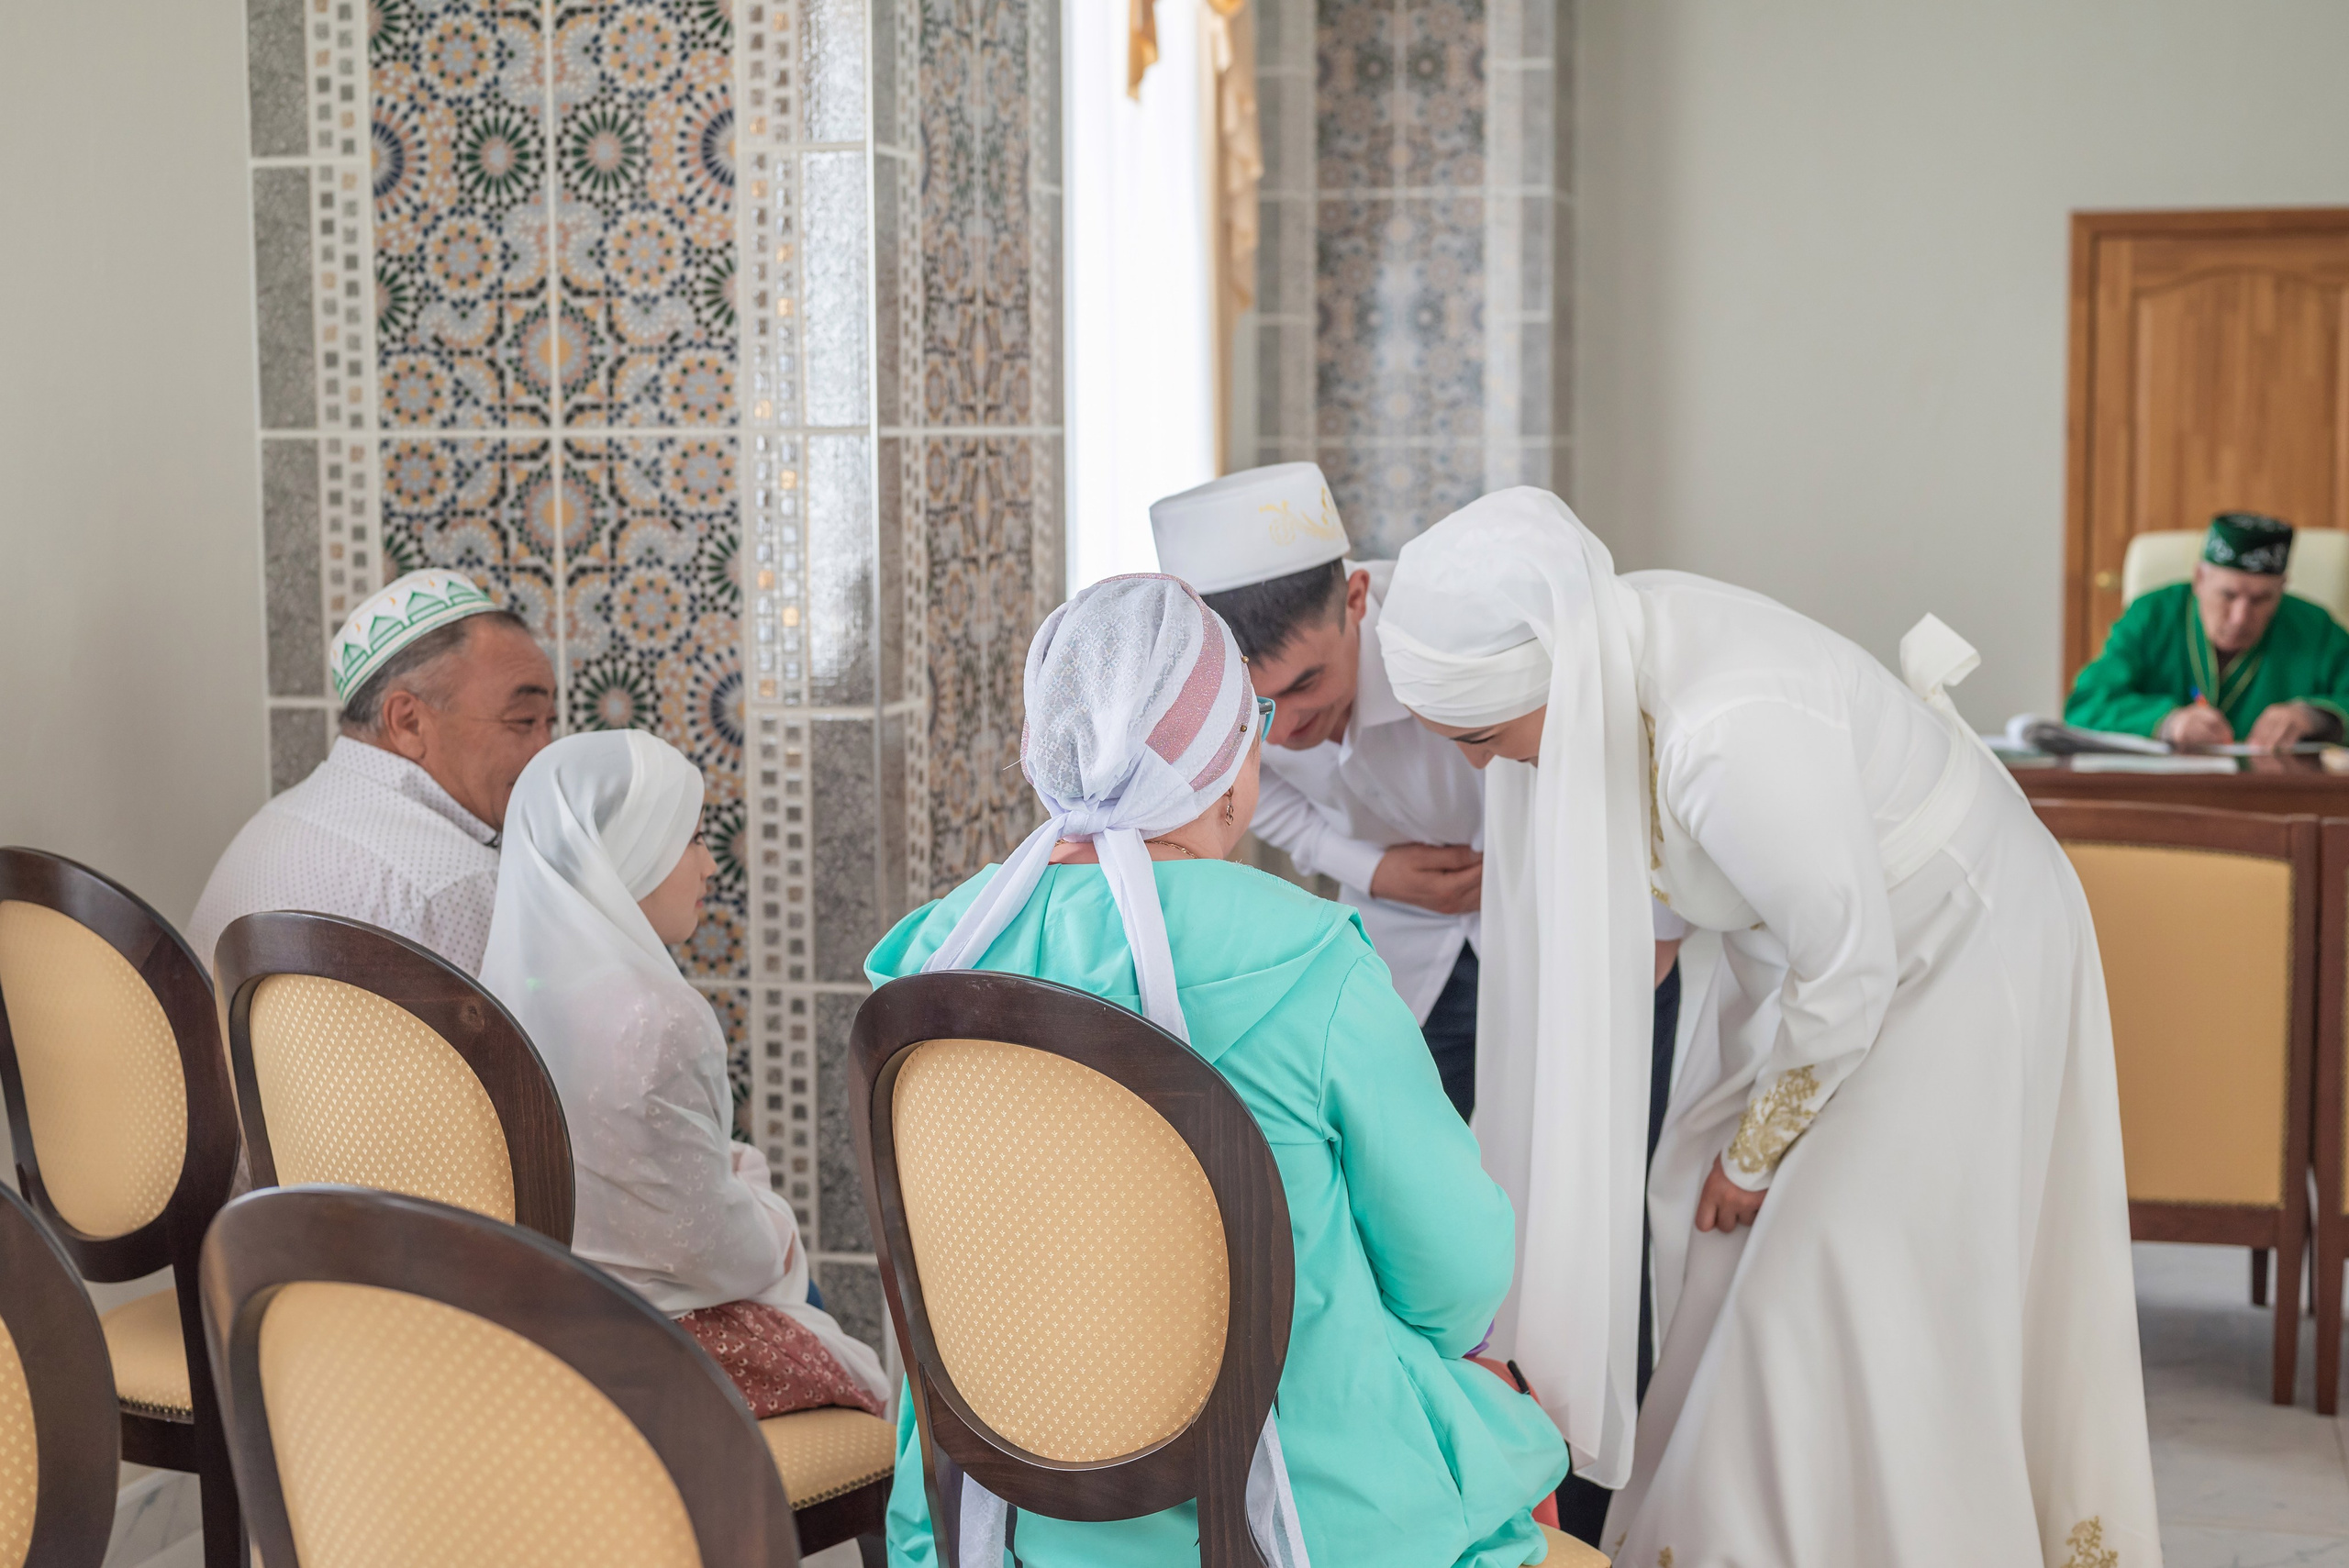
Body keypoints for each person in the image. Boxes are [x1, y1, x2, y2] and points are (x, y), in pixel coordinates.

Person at [1379, 489, 2159, 1566]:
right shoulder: (1617, 651)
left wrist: (1754, 1152)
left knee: (1842, 1261)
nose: (1479, 767)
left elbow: (1850, 962)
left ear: (1540, 685)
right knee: (1721, 1253)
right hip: (1828, 973)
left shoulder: (1724, 734)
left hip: (1957, 955)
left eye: (1480, 736)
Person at [865, 573, 1568, 1568]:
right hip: (1294, 1513)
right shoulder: (1306, 957)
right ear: (1227, 765)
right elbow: (1452, 1279)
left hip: (1010, 1512)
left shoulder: (934, 956)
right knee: (1508, 1421)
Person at [1150, 462, 1687, 1125]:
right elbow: (1272, 802)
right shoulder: (1209, 695)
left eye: (1306, 686)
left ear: (1355, 600)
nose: (1283, 732)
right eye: (1260, 705)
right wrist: (1370, 871)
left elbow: (1611, 747)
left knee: (1589, 1148)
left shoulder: (1459, 636)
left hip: (1564, 922)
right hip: (1404, 948)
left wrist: (1645, 928)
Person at [479, 728, 888, 1418]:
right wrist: (771, 1217)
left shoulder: (499, 993)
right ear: (627, 855)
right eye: (692, 839)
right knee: (871, 1387)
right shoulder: (656, 1016)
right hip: (647, 1346)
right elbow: (702, 1247)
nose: (709, 867)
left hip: (535, 1336)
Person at [187, 570, 555, 975]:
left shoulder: (272, 823)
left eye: (549, 721)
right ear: (408, 723)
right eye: (523, 720)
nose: (545, 751)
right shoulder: (453, 885)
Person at [2065, 511, 2349, 750]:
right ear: (2199, 579)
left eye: (2261, 599)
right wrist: (2168, 722)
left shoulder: (2317, 628)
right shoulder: (2151, 616)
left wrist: (2316, 717)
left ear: (2283, 587)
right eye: (2227, 595)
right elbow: (2086, 703)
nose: (2240, 617)